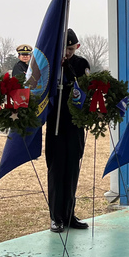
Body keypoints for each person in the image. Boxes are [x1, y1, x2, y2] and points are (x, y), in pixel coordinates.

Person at [46, 29, 90, 231]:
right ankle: (56, 217)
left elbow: (84, 88)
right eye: (64, 48)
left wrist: (69, 70)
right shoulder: (50, 64)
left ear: (77, 47)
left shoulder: (81, 64)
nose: (67, 53)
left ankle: (69, 214)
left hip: (74, 126)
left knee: (72, 171)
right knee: (56, 171)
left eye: (71, 49)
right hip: (56, 125)